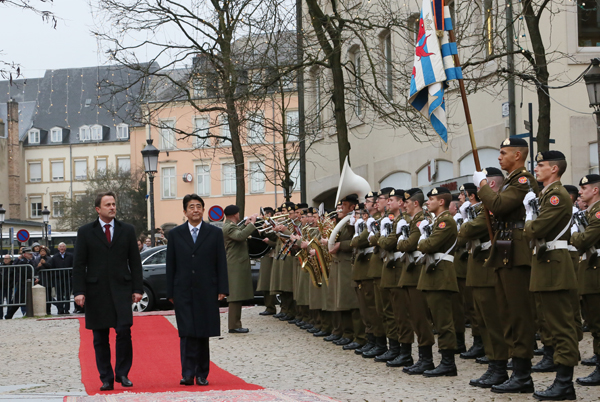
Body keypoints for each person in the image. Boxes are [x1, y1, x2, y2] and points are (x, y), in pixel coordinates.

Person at [473, 136, 539, 394]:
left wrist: (482, 185)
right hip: (505, 248)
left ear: (518, 156)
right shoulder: (512, 182)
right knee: (506, 312)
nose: (499, 157)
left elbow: (500, 206)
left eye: (503, 153)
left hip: (516, 250)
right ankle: (511, 370)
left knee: (518, 314)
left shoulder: (523, 180)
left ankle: (523, 375)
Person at [72, 191, 143, 391]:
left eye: (114, 204)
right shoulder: (86, 231)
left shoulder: (127, 230)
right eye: (108, 204)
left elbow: (135, 262)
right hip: (96, 292)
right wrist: (79, 291)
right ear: (98, 209)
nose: (112, 207)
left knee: (123, 331)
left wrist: (138, 288)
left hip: (122, 289)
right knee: (100, 337)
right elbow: (79, 264)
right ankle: (106, 377)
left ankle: (122, 373)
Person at [522, 151, 579, 401]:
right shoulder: (547, 194)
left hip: (554, 265)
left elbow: (537, 228)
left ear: (554, 169)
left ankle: (565, 382)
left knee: (561, 326)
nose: (537, 168)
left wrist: (528, 217)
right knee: (551, 325)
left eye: (541, 164)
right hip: (546, 264)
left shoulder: (556, 195)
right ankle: (562, 381)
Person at [166, 194, 228, 386]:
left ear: (203, 210)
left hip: (206, 290)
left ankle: (202, 373)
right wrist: (170, 292)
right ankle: (187, 373)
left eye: (198, 206)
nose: (195, 210)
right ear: (185, 211)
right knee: (186, 333)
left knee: (202, 332)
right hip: (183, 290)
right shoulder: (176, 234)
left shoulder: (214, 233)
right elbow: (171, 264)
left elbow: (221, 262)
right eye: (191, 207)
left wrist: (222, 288)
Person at [416, 186, 459, 377]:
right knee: (434, 319)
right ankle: (433, 361)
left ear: (441, 201)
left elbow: (430, 244)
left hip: (441, 275)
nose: (427, 202)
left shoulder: (446, 222)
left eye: (431, 198)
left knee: (443, 322)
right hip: (433, 275)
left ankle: (448, 363)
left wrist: (422, 240)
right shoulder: (437, 221)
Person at [571, 174, 600, 387]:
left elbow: (585, 239)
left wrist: (574, 235)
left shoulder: (598, 213)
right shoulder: (588, 212)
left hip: (596, 272)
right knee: (593, 321)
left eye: (585, 188)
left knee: (598, 323)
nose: (580, 192)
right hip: (589, 270)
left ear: (595, 190)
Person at [222, 205, 257, 334]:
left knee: (237, 295)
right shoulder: (229, 226)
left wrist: (246, 224)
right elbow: (240, 236)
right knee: (235, 296)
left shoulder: (229, 226)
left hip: (236, 264)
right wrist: (252, 224)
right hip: (234, 264)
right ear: (235, 214)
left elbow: (238, 232)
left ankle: (236, 324)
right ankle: (234, 325)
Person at [5, 247, 35, 319]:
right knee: (17, 301)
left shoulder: (29, 261)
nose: (31, 255)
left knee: (22, 300)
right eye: (29, 254)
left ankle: (11, 314)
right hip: (22, 283)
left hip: (27, 283)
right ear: (25, 254)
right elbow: (25, 272)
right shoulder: (22, 261)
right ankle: (9, 315)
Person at [50, 242, 75, 314]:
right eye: (60, 247)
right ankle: (60, 309)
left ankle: (67, 309)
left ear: (65, 248)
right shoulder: (55, 257)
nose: (62, 248)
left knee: (67, 294)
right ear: (58, 248)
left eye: (63, 246)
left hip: (68, 277)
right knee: (59, 294)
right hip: (58, 278)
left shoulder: (70, 256)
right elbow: (52, 266)